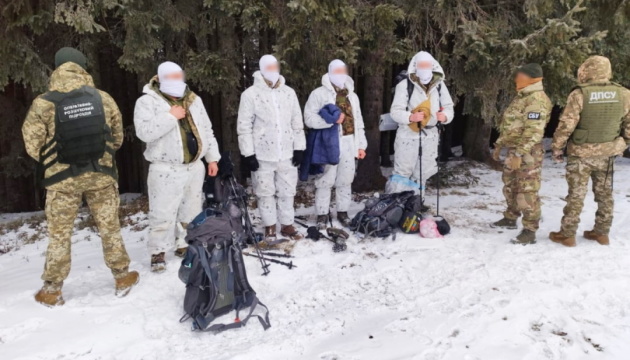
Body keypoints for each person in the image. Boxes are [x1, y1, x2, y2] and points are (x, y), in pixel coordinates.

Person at [22, 47, 139, 306]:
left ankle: (52, 290)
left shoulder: (43, 103)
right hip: (101, 176)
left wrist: (55, 163)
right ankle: (122, 276)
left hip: (62, 182)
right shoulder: (103, 98)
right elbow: (117, 138)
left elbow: (33, 146)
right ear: (83, 67)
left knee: (60, 234)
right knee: (109, 227)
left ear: (57, 68)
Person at [134, 61, 221, 272]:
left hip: (193, 167)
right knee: (162, 213)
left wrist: (212, 158)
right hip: (165, 169)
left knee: (191, 210)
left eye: (179, 76)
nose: (177, 81)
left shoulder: (193, 99)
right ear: (161, 78)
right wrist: (170, 117)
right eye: (171, 77)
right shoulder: (148, 102)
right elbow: (144, 132)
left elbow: (207, 130)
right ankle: (158, 252)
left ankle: (185, 244)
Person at [549, 55, 630, 247]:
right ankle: (602, 233)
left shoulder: (580, 94)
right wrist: (623, 143)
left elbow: (566, 125)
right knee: (605, 194)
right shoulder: (624, 94)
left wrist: (557, 147)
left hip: (581, 153)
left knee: (576, 194)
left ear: (587, 70)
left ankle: (568, 235)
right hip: (607, 153)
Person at [237, 55, 306, 242]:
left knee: (287, 191)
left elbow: (296, 122)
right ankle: (269, 226)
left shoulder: (289, 93)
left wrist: (299, 148)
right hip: (262, 154)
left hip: (286, 153)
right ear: (261, 69)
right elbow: (244, 126)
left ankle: (287, 224)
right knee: (264, 191)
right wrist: (248, 154)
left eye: (275, 65)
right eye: (268, 66)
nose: (273, 69)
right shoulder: (250, 94)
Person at [490, 63, 552, 245]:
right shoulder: (522, 97)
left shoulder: (537, 100)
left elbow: (534, 131)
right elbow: (512, 127)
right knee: (510, 186)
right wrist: (500, 145)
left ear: (530, 77)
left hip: (527, 152)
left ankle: (529, 230)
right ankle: (510, 217)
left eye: (520, 75)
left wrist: (518, 153)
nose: (516, 78)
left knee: (527, 191)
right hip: (515, 150)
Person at [303, 60, 367, 229]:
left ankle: (343, 212)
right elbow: (308, 119)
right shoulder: (318, 94)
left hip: (349, 142)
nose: (340, 74)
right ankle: (322, 214)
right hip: (328, 143)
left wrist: (361, 145)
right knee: (325, 180)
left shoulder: (352, 96)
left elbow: (358, 121)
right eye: (336, 70)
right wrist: (331, 121)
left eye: (342, 70)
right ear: (330, 72)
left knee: (345, 180)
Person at [385, 51, 454, 204]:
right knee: (403, 172)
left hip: (430, 135)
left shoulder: (439, 85)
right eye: (421, 65)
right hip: (408, 134)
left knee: (423, 172)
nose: (424, 68)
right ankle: (397, 206)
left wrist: (445, 117)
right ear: (415, 67)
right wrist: (410, 117)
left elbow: (449, 107)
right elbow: (395, 111)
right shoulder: (405, 85)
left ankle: (416, 205)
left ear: (433, 66)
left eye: (427, 65)